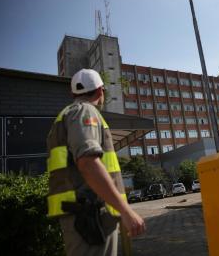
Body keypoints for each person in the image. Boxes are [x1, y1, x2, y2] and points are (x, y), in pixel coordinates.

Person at [46, 69, 145, 256]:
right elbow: (88, 163)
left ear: (73, 93)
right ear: (100, 91)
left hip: (84, 217)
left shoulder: (66, 116)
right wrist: (126, 211)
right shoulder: (85, 112)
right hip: (91, 218)